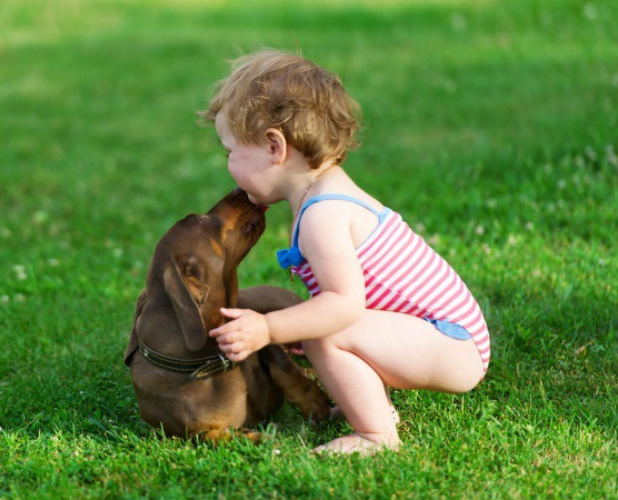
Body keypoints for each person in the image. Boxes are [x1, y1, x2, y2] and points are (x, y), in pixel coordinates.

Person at [201, 50, 490, 454]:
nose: (228, 163)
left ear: (274, 147)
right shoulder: (323, 190)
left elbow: (345, 305)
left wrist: (269, 329)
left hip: (453, 343)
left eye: (231, 151)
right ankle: (369, 404)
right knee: (319, 328)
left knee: (325, 329)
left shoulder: (324, 215)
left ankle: (376, 435)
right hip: (443, 336)